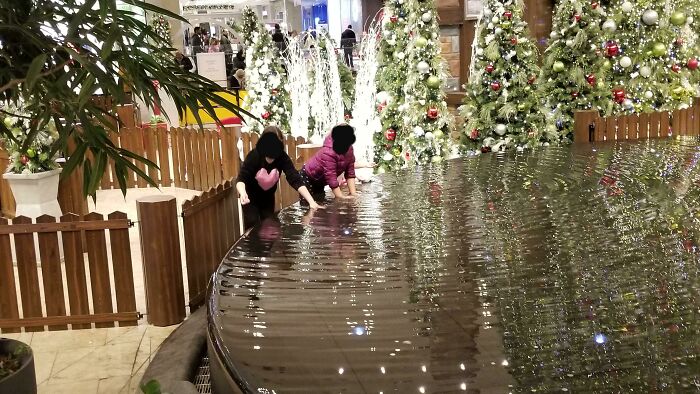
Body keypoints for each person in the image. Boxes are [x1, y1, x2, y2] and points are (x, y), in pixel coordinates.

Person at [236, 127, 321, 230]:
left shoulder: (282, 157)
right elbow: (241, 179)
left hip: (268, 198)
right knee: (252, 224)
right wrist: (243, 193)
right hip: (250, 199)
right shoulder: (255, 156)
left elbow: (294, 178)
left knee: (268, 225)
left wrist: (311, 202)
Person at [300, 124, 358, 201]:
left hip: (320, 180)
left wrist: (353, 193)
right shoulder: (329, 152)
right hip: (308, 176)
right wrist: (340, 196)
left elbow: (350, 172)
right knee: (308, 204)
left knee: (320, 200)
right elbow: (330, 176)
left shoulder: (349, 149)